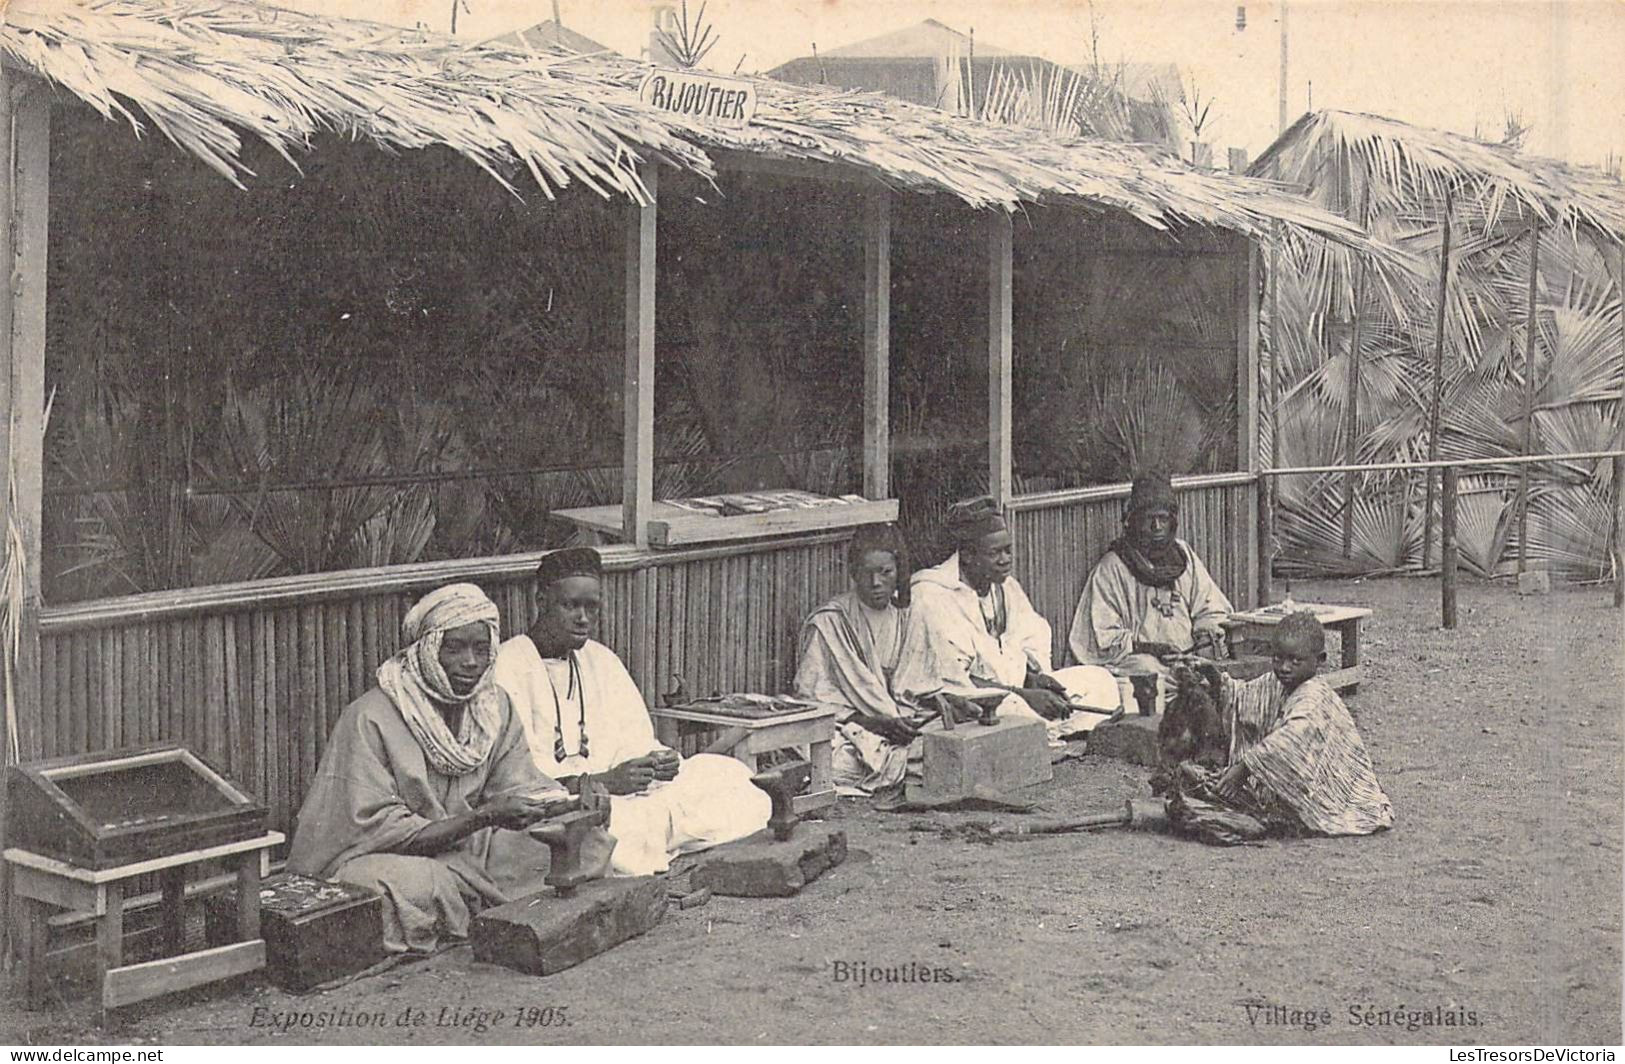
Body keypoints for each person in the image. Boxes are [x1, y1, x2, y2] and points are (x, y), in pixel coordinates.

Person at [288, 583, 600, 954]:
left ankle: (482, 909)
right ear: (426, 649)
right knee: (388, 888)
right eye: (454, 648)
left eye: (481, 649)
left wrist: (569, 803)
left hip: (470, 844)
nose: (470, 662)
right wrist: (483, 817)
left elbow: (516, 783)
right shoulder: (370, 717)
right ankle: (490, 911)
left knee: (587, 842)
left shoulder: (492, 705)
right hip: (391, 856)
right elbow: (380, 831)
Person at [494, 547, 770, 876]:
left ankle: (660, 840)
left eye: (592, 607)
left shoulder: (601, 659)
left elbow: (634, 738)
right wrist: (603, 782)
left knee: (731, 776)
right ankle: (663, 841)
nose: (583, 618)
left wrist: (656, 761)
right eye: (571, 605)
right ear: (541, 601)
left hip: (632, 796)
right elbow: (520, 783)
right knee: (605, 829)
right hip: (568, 805)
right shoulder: (507, 665)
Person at [909, 496, 1121, 741]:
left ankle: (1047, 734)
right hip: (968, 704)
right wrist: (1022, 693)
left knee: (1098, 680)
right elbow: (952, 682)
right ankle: (1052, 735)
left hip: (1017, 690)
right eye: (995, 553)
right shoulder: (931, 596)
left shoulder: (1006, 587)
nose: (1005, 560)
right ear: (966, 555)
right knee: (1013, 709)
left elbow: (1026, 645)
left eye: (1007, 550)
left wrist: (1035, 680)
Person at [1200, 612, 1393, 836]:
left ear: (1320, 660)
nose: (1284, 667)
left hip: (1329, 790)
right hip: (1298, 783)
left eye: (1295, 660)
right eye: (1277, 658)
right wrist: (1213, 676)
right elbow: (1243, 696)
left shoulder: (1314, 697)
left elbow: (1289, 741)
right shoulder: (1276, 682)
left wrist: (1244, 768)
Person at [792, 525, 951, 795]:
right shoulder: (830, 622)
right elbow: (811, 699)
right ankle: (907, 767)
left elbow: (924, 688)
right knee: (821, 754)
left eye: (885, 572)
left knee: (953, 736)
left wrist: (947, 705)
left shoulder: (909, 616)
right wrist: (876, 723)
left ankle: (906, 764)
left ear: (898, 571)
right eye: (867, 573)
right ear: (853, 573)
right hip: (853, 730)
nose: (876, 583)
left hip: (905, 727)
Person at [1069, 472, 1233, 677]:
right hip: (1142, 660)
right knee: (1148, 672)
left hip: (1188, 657)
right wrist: (1152, 649)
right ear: (1134, 522)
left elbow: (1210, 607)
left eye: (1163, 519)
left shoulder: (1184, 555)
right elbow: (1104, 637)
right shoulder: (1113, 568)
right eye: (1149, 519)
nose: (1157, 527)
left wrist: (1204, 635)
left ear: (1172, 521)